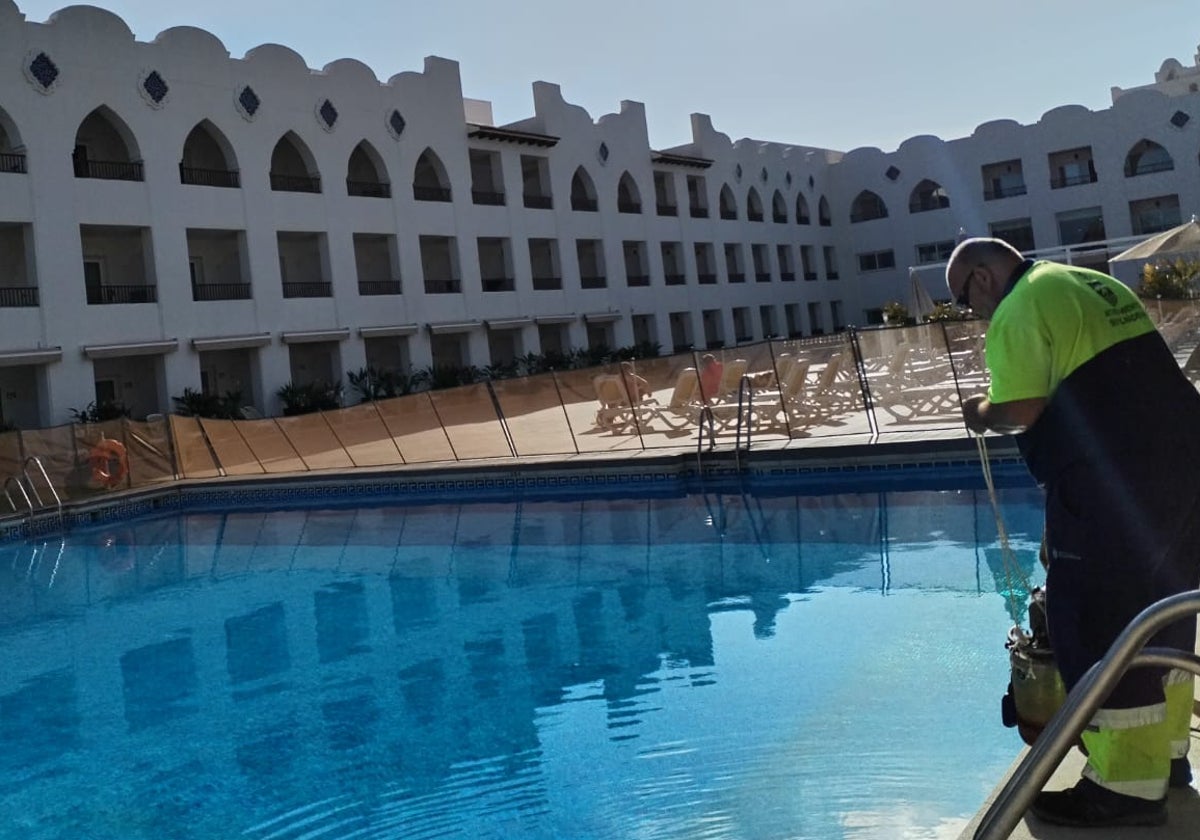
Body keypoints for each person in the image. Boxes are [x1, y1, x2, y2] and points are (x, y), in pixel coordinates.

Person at [946, 237, 1200, 828]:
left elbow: (1021, 410)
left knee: (1097, 624)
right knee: (1163, 614)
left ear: (982, 278)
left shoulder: (1018, 308)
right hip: (1182, 473)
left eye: (965, 300)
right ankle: (1166, 759)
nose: (973, 312)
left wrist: (977, 413)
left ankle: (1125, 791)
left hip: (1114, 482)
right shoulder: (1089, 283)